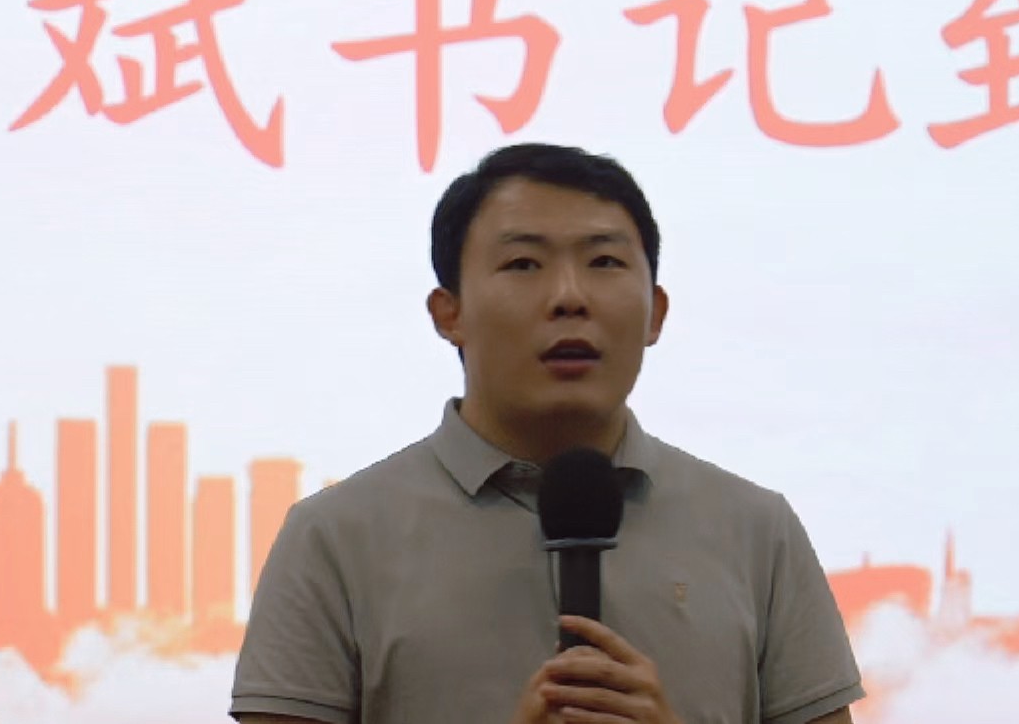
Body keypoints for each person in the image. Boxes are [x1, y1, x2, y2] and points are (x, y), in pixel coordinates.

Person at [229, 143, 863, 724]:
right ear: (449, 313)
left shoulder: (756, 531)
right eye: (524, 263)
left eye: (604, 262)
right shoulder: (335, 539)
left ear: (656, 313)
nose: (569, 297)